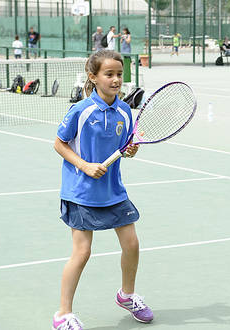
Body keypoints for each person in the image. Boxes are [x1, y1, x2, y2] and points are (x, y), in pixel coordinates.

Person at [52, 50, 154, 330]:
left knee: (131, 244)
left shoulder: (123, 110)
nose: (116, 79)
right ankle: (62, 314)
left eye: (119, 74)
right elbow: (59, 144)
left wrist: (130, 150)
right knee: (82, 253)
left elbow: (125, 148)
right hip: (81, 191)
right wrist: (84, 165)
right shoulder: (81, 110)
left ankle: (127, 295)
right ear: (93, 77)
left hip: (112, 190)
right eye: (109, 74)